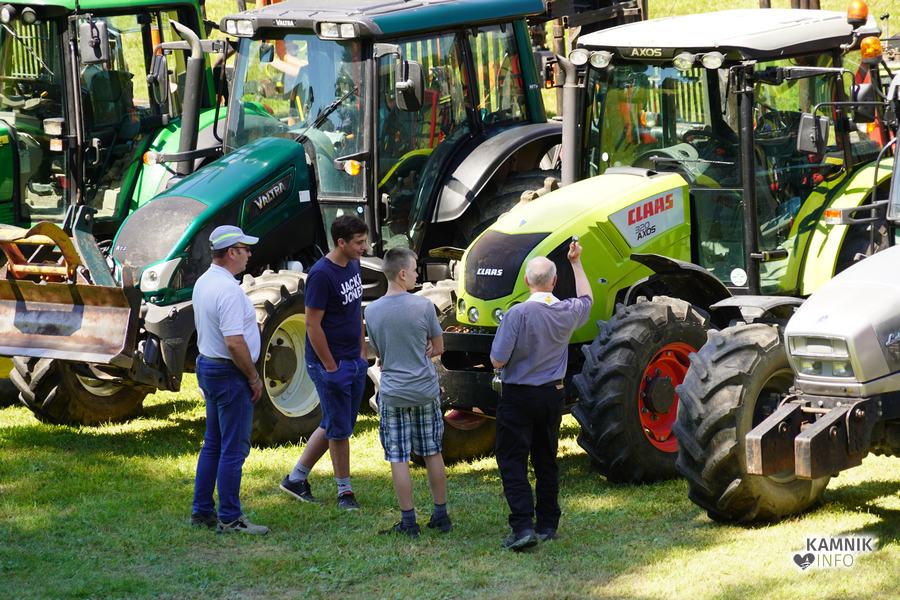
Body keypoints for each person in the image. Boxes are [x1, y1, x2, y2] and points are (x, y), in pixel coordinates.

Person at [489, 240, 592, 551]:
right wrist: (576, 262)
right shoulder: (567, 311)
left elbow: (498, 359)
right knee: (546, 459)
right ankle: (547, 524)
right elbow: (586, 298)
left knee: (512, 460)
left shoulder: (517, 313)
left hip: (518, 395)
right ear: (555, 281)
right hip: (552, 395)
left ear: (526, 281)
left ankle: (522, 526)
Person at [280, 215, 369, 510]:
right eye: (359, 242)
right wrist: (331, 366)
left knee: (336, 423)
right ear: (341, 242)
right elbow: (312, 325)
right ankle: (345, 492)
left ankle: (296, 478)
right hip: (329, 364)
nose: (364, 247)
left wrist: (361, 351)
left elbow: (355, 310)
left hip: (353, 359)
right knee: (339, 429)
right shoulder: (321, 274)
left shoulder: (353, 264)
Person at [364, 247, 450, 538]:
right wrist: (426, 348)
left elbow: (379, 354)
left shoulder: (371, 311)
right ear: (402, 273)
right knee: (432, 452)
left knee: (398, 456)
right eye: (414, 270)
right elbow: (438, 347)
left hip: (393, 393)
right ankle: (441, 515)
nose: (416, 275)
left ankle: (408, 520)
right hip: (424, 390)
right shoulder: (424, 306)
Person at [191, 225, 268, 535]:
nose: (249, 254)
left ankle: (202, 511)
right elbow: (235, 342)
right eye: (245, 249)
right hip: (229, 372)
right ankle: (230, 518)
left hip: (209, 365)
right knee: (234, 449)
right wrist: (253, 377)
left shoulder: (204, 281)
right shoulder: (229, 290)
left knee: (213, 443)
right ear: (232, 252)